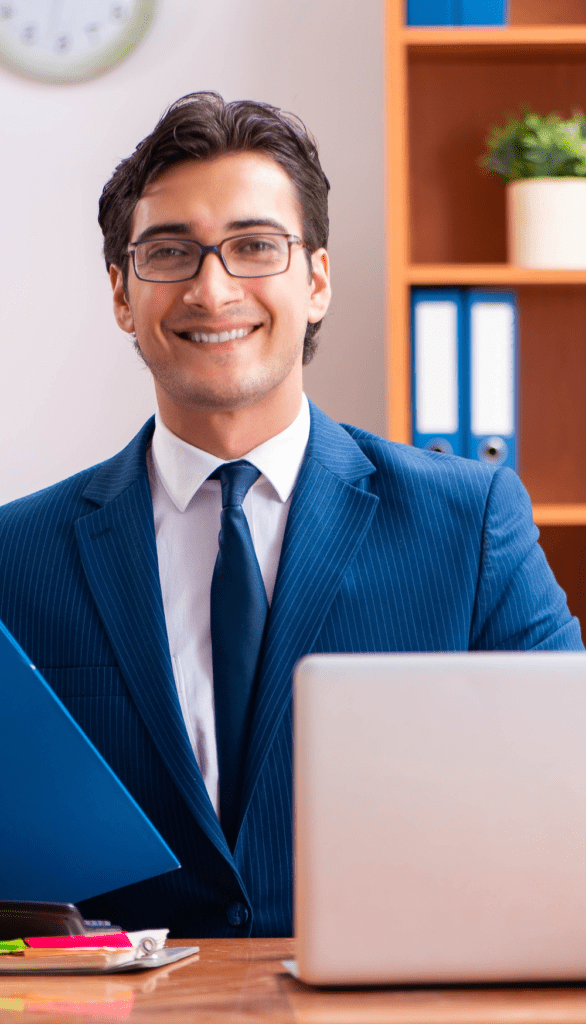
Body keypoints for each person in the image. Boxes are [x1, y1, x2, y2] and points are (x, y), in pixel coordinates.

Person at [0, 92, 582, 938]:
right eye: (169, 253)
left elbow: (571, 789)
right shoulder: (19, 556)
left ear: (314, 281)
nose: (212, 287)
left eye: (253, 247)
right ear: (123, 296)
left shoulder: (470, 523)